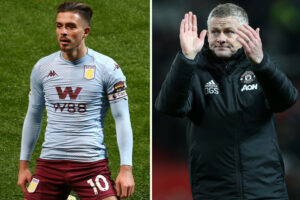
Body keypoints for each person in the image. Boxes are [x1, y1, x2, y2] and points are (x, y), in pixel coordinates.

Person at [155, 3, 298, 200]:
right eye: (215, 32)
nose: (221, 38)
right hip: (215, 192)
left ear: (244, 34)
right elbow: (168, 107)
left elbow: (287, 100)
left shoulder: (260, 67)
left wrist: (262, 63)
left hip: (266, 191)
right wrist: (186, 58)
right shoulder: (194, 69)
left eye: (229, 32)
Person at [17, 2, 134, 199]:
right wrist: (23, 166)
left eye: (71, 26)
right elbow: (33, 116)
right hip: (49, 165)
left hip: (91, 165)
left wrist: (126, 169)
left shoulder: (108, 68)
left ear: (85, 31)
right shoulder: (42, 68)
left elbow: (122, 118)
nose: (63, 32)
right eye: (59, 25)